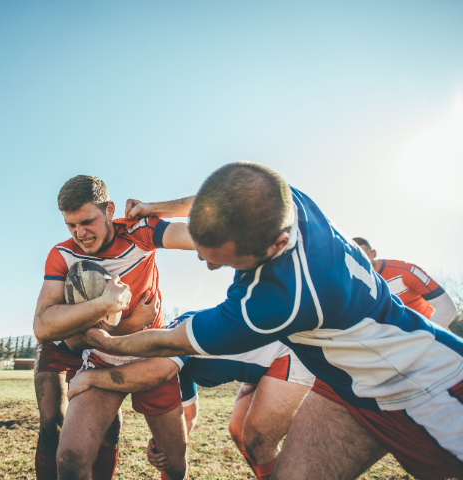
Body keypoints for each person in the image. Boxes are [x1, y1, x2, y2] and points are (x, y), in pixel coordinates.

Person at [81, 162, 463, 480]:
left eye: (225, 259)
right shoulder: (280, 198)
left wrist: (108, 343)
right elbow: (214, 199)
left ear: (277, 244)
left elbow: (170, 342)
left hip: (424, 389)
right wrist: (155, 207)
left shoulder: (278, 300)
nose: (209, 263)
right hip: (342, 385)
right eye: (203, 252)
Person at [32, 175, 193, 480]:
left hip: (150, 351)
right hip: (101, 356)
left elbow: (200, 235)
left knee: (174, 463)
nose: (80, 233)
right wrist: (107, 305)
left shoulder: (139, 231)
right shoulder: (63, 254)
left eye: (87, 221)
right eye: (71, 225)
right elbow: (42, 325)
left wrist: (155, 208)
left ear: (109, 209)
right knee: (69, 458)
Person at [68, 312, 315, 480]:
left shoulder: (175, 337)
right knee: (239, 431)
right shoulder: (178, 368)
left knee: (257, 439)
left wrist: (89, 377)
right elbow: (189, 417)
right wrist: (162, 445)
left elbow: (153, 374)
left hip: (290, 353)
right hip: (261, 367)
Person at [353, 237, 457, 328]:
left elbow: (447, 308)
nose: (362, 261)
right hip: (396, 343)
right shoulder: (357, 284)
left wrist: (425, 338)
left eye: (365, 255)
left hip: (432, 339)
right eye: (357, 257)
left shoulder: (404, 271)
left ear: (374, 253)